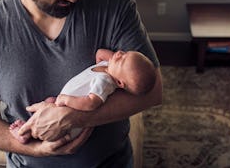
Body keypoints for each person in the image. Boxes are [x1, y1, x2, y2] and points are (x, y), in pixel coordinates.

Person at [0, 0, 162, 167]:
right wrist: (38, 149)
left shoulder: (113, 5)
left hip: (110, 162)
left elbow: (152, 91)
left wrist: (74, 117)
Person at [9, 48, 156, 143]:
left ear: (119, 82)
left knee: (47, 113)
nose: (119, 54)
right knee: (48, 104)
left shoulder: (105, 82)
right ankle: (29, 126)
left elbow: (91, 103)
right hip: (61, 104)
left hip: (69, 125)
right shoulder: (108, 66)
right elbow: (99, 53)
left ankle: (24, 133)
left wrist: (68, 100)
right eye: (124, 53)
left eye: (122, 60)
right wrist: (115, 60)